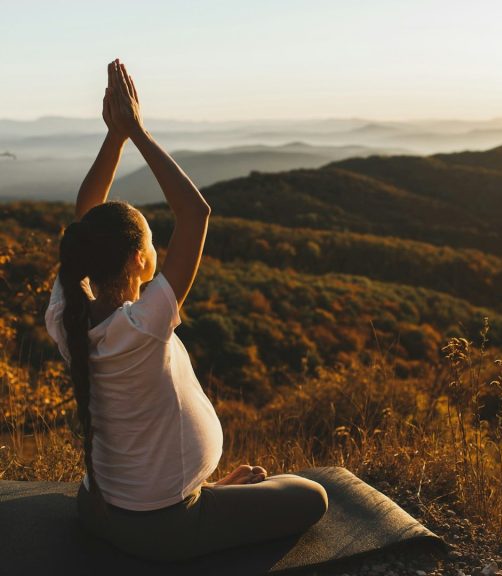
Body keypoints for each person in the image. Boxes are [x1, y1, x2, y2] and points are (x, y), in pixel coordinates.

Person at [44, 59, 328, 562]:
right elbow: (195, 212)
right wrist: (135, 131)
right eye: (151, 241)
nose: (157, 248)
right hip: (161, 527)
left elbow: (86, 218)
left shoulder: (68, 312)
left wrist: (114, 139)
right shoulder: (142, 325)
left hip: (98, 508)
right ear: (138, 260)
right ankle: (216, 496)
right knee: (313, 498)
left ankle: (215, 491)